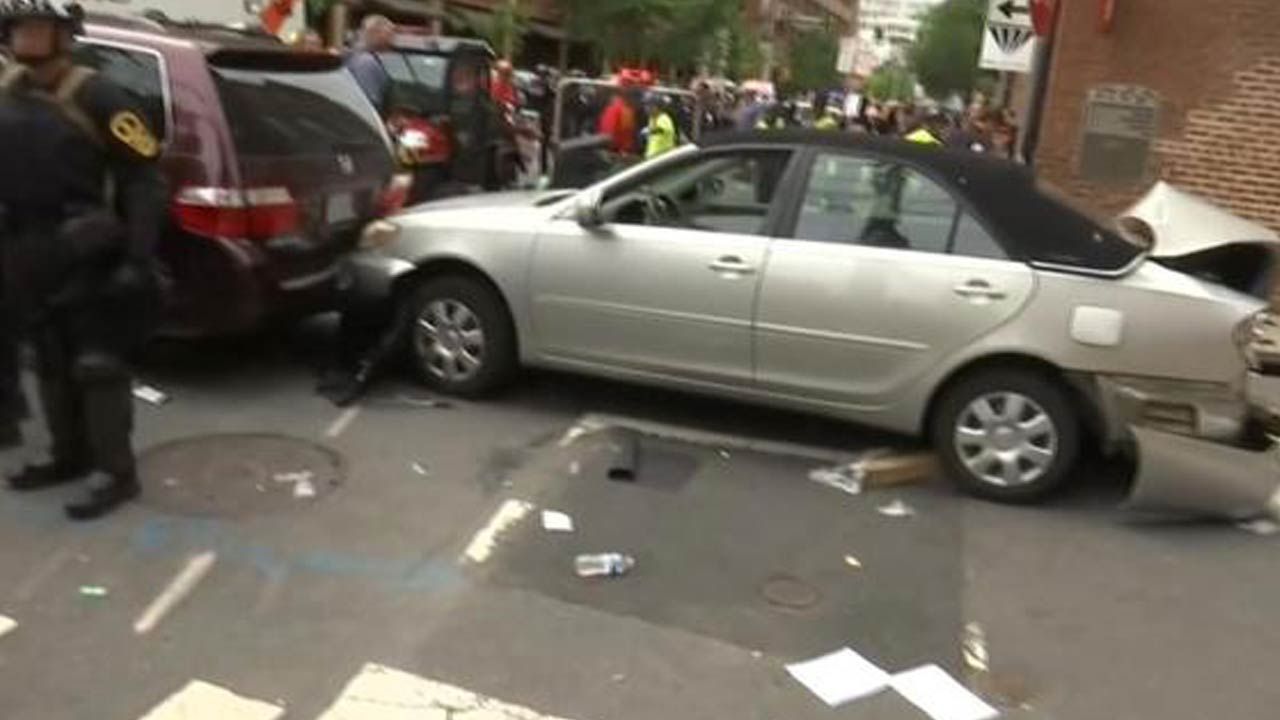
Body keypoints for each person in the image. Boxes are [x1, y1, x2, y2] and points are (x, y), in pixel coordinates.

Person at [0, 0, 166, 519]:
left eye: (36, 28)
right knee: (48, 361)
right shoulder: (7, 92)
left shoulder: (99, 95)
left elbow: (144, 180)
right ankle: (66, 455)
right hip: (27, 250)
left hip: (89, 250)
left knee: (97, 364)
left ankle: (116, 472)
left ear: (64, 34)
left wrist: (136, 259)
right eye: (17, 28)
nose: (25, 38)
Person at [345, 14, 394, 114]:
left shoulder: (354, 56)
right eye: (388, 35)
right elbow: (369, 103)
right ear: (375, 33)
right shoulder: (366, 63)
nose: (391, 41)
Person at [597, 86, 637, 156]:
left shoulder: (622, 109)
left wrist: (624, 148)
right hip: (614, 147)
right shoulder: (624, 109)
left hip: (614, 149)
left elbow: (626, 130)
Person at [644, 93, 677, 159]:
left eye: (650, 106)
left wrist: (651, 130)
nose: (647, 108)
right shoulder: (652, 119)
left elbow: (664, 129)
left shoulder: (663, 118)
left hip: (662, 157)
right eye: (646, 106)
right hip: (652, 157)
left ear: (658, 106)